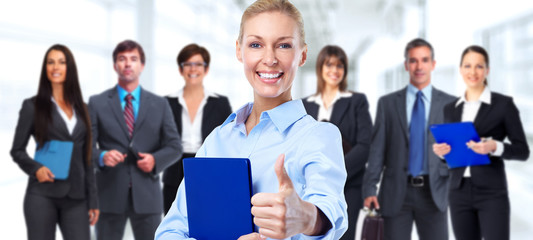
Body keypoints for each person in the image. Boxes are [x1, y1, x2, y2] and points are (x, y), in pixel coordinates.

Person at [155, 0, 348, 239]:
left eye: (284, 45)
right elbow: (170, 231)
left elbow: (331, 207)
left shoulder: (318, 136)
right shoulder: (217, 141)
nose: (269, 59)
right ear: (239, 50)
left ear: (302, 55)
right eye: (256, 44)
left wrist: (307, 218)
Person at [432, 45, 529, 240]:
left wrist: (495, 146)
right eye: (468, 66)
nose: (473, 72)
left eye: (479, 66)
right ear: (460, 70)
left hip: (492, 192)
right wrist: (443, 153)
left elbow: (522, 150)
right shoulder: (450, 109)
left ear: (487, 70)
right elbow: (452, 153)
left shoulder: (504, 105)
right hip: (458, 192)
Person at [362, 38, 455, 240]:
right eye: (413, 60)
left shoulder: (450, 104)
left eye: (424, 60)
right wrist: (370, 188)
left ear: (433, 64)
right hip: (396, 193)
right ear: (406, 65)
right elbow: (377, 150)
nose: (419, 66)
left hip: (434, 193)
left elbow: (459, 154)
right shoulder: (387, 104)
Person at [88, 39, 181, 240]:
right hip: (109, 195)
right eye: (122, 59)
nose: (128, 64)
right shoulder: (97, 103)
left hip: (147, 197)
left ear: (142, 65)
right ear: (115, 65)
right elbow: (85, 148)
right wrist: (102, 156)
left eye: (133, 59)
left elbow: (174, 146)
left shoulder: (160, 104)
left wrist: (155, 160)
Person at [10, 44, 99, 240]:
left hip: (76, 197)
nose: (55, 67)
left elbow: (89, 157)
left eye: (61, 62)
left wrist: (93, 200)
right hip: (42, 194)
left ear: (70, 68)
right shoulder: (32, 106)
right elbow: (17, 150)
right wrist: (36, 169)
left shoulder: (84, 109)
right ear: (45, 68)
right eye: (50, 62)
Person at [302, 45, 372, 240]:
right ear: (320, 68)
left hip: (349, 184)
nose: (334, 70)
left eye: (340, 66)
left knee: (343, 235)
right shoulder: (305, 105)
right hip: (312, 184)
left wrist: (334, 171)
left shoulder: (357, 101)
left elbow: (365, 145)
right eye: (329, 64)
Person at [162, 43, 232, 215]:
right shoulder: (167, 103)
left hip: (207, 165)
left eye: (198, 64)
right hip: (174, 168)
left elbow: (228, 139)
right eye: (187, 64)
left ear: (206, 69)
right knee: (173, 220)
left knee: (206, 216)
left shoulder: (220, 103)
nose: (193, 69)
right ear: (181, 69)